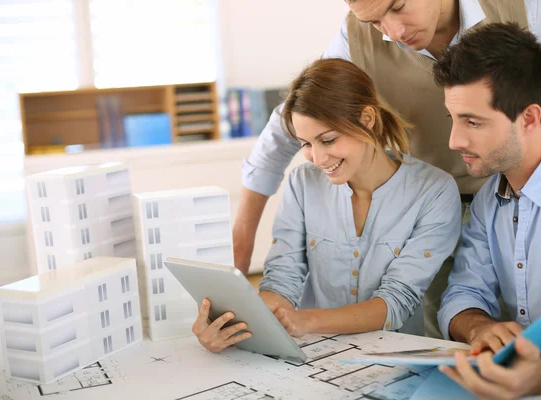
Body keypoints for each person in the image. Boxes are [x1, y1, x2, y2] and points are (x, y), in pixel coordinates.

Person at [234, 0, 541, 339]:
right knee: (446, 337)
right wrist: (241, 245)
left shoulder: (522, 6)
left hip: (512, 192)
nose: (391, 31)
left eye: (397, 7)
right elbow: (294, 124)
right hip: (437, 210)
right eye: (375, 21)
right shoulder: (357, 37)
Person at [192, 58, 461, 352]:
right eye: (306, 144)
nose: (318, 159)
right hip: (314, 356)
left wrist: (305, 321)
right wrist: (231, 324)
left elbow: (395, 302)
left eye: (328, 140)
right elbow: (282, 281)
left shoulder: (434, 191)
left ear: (367, 118)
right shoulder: (302, 184)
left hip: (394, 359)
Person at [433, 22, 541, 398]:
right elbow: (462, 293)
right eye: (453, 119)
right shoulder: (490, 199)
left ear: (528, 118)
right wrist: (478, 327)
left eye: (473, 121)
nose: (454, 141)